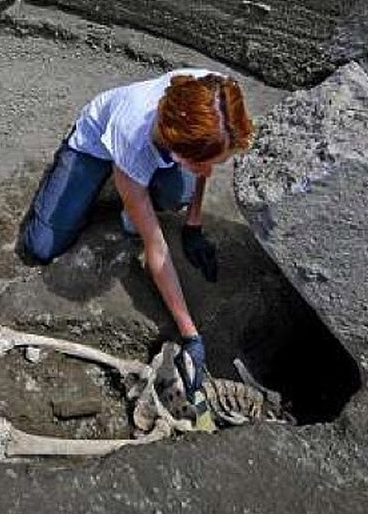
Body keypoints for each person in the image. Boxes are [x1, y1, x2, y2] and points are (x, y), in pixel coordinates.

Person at [17, 69, 254, 397]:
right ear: (174, 145)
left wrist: (194, 224)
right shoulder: (131, 137)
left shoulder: (217, 95)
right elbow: (155, 249)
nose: (209, 172)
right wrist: (191, 335)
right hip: (94, 144)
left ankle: (140, 190)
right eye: (201, 163)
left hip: (161, 151)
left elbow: (205, 161)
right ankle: (77, 177)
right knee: (41, 246)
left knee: (177, 195)